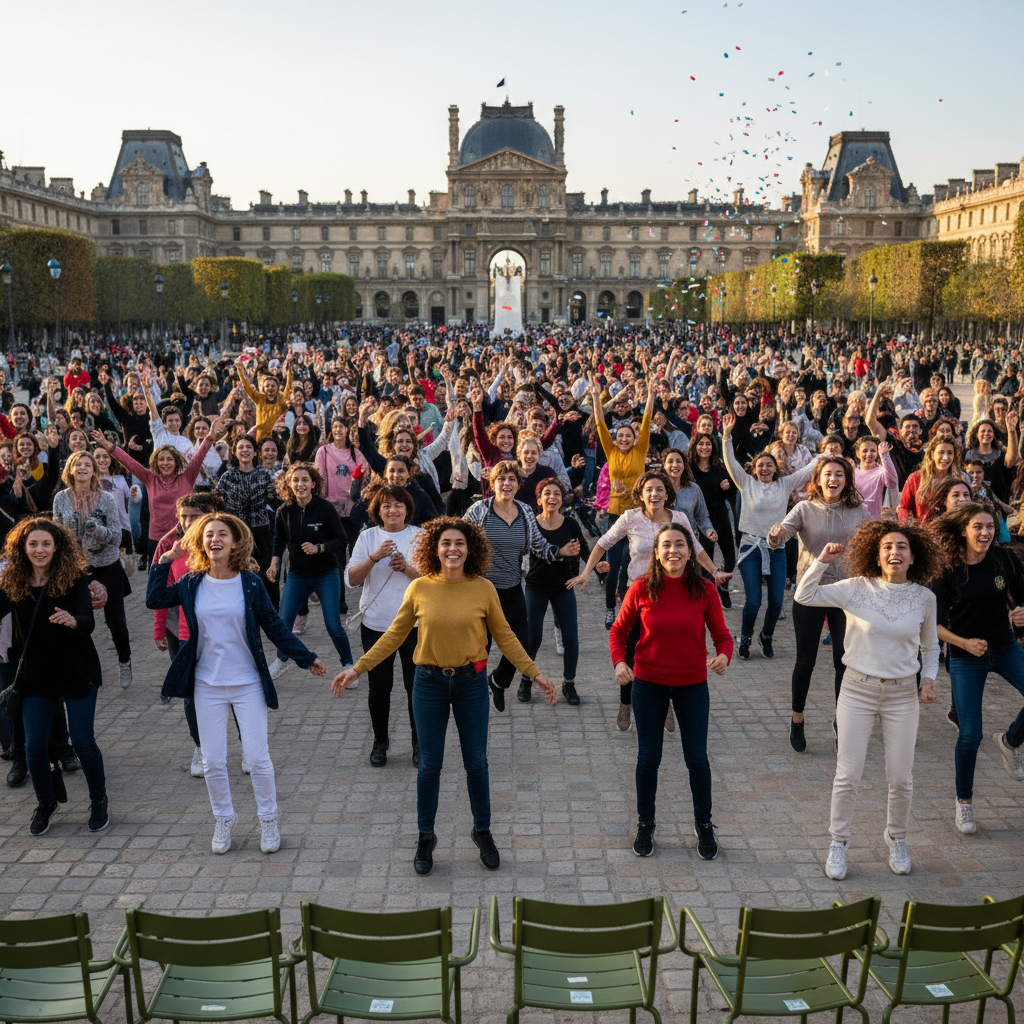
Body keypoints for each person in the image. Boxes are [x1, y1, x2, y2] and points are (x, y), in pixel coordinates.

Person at [331, 517, 558, 876]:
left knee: (477, 764)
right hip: (429, 684)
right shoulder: (420, 587)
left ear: (471, 550)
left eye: (460, 544)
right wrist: (357, 668)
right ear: (434, 549)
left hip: (471, 684)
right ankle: (425, 837)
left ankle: (482, 831)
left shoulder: (484, 588)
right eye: (446, 544)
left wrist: (536, 673)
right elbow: (392, 635)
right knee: (430, 766)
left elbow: (506, 637)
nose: (453, 549)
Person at [147, 512, 327, 855]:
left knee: (258, 759)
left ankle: (269, 820)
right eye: (209, 534)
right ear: (201, 542)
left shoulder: (250, 583)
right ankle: (223, 819)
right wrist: (165, 559)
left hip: (247, 683)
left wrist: (306, 658)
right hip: (206, 685)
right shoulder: (191, 582)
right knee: (214, 761)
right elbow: (154, 600)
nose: (215, 539)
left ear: (235, 542)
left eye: (222, 534)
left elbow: (274, 626)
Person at [795, 523, 940, 879]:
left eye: (902, 547)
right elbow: (805, 596)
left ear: (912, 555)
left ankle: (897, 837)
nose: (895, 552)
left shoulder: (925, 598)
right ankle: (839, 842)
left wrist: (930, 679)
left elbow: (931, 646)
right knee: (848, 774)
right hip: (857, 690)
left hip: (903, 694)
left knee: (901, 778)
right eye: (887, 547)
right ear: (876, 556)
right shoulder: (856, 588)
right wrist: (821, 561)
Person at [569, 470, 730, 731]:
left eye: (659, 489)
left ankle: (665, 702)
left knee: (666, 651)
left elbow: (696, 549)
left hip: (672, 591)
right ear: (641, 495)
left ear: (667, 494)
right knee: (632, 653)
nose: (654, 494)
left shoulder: (679, 518)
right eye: (649, 490)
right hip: (638, 592)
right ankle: (625, 702)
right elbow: (603, 543)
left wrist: (715, 572)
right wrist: (586, 571)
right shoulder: (630, 518)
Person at [609, 523, 731, 860]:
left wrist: (723, 656)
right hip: (648, 684)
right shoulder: (641, 588)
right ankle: (646, 823)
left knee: (697, 759)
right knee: (649, 758)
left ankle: (704, 824)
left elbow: (721, 634)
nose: (673, 551)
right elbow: (618, 632)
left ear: (690, 551)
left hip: (693, 685)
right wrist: (620, 663)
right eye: (666, 545)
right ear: (657, 552)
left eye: (680, 545)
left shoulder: (705, 590)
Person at [0, 518, 108, 837]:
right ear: (22, 547)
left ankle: (98, 800)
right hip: (36, 672)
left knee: (84, 741)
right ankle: (46, 804)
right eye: (33, 543)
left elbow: (87, 619)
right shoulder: (14, 581)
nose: (39, 549)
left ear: (57, 546)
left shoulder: (73, 577)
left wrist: (74, 620)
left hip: (77, 668)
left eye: (46, 543)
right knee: (33, 746)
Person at [929, 503, 1024, 836]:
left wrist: (1021, 611)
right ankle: (964, 801)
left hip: (1005, 648)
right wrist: (965, 643)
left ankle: (1011, 742)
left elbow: (1020, 597)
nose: (985, 533)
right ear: (963, 531)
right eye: (978, 527)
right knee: (970, 735)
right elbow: (932, 626)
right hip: (966, 656)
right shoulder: (946, 571)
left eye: (990, 526)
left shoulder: (1004, 560)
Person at [768, 456, 871, 752]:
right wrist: (775, 535)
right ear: (818, 479)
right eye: (828, 474)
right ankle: (797, 718)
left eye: (839, 474)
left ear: (847, 480)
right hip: (811, 593)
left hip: (847, 594)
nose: (833, 479)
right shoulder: (804, 508)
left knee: (843, 660)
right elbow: (782, 533)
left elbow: (871, 543)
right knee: (806, 661)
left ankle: (842, 721)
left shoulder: (859, 510)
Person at [463, 461, 577, 710]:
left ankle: (499, 681)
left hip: (512, 588)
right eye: (501, 479)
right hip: (481, 590)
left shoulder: (525, 511)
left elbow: (539, 546)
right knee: (481, 645)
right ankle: (473, 692)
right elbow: (457, 539)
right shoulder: (479, 510)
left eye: (512, 479)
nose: (506, 483)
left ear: (518, 484)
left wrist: (559, 551)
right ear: (492, 484)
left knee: (523, 644)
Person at [722, 411, 821, 660]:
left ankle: (766, 635)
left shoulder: (784, 484)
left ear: (775, 468)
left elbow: (809, 469)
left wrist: (828, 452)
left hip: (776, 548)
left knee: (777, 602)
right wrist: (725, 436)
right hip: (751, 547)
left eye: (769, 465)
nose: (765, 468)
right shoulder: (746, 483)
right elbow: (730, 461)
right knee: (754, 601)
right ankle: (744, 637)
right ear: (754, 469)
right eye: (760, 465)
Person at [344, 483, 422, 768]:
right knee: (379, 688)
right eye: (387, 505)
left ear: (407, 510)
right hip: (376, 624)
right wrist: (374, 557)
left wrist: (408, 569)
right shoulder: (367, 537)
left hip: (414, 626)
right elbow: (351, 579)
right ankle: (380, 741)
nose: (393, 510)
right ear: (378, 510)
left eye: (399, 505)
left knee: (416, 687)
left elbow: (435, 581)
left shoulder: (420, 536)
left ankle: (419, 743)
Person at [52, 450, 134, 689]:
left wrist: (94, 527)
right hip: (75, 568)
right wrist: (77, 521)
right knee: (75, 618)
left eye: (88, 464)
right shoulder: (61, 499)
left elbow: (116, 537)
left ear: (94, 471)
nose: (83, 468)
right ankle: (78, 666)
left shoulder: (106, 499)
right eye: (78, 464)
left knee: (115, 620)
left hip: (106, 565)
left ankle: (124, 659)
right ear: (71, 470)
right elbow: (60, 538)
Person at [267, 464, 353, 678]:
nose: (300, 484)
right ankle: (282, 659)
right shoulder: (284, 511)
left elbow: (341, 539)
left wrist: (320, 548)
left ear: (313, 483)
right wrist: (274, 562)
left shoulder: (325, 508)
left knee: (333, 625)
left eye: (305, 480)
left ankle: (349, 666)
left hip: (326, 573)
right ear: (289, 483)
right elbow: (278, 540)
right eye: (295, 480)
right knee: (283, 623)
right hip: (297, 575)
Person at [525, 478, 593, 706]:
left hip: (563, 586)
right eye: (547, 493)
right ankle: (526, 679)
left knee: (571, 639)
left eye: (557, 493)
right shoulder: (531, 524)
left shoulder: (571, 523)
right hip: (536, 586)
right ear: (539, 499)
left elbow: (583, 547)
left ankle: (569, 683)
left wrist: (597, 568)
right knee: (532, 638)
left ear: (562, 499)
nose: (552, 497)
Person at [215, 435, 278, 605]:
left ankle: (271, 613)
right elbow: (215, 502)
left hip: (262, 531)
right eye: (241, 447)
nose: (245, 450)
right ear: (235, 453)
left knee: (266, 575)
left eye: (249, 447)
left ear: (255, 452)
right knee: (238, 575)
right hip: (236, 534)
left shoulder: (264, 474)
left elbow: (277, 498)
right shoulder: (228, 476)